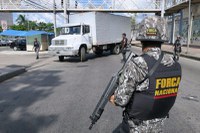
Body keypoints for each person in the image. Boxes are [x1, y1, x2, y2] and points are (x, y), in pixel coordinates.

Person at [110, 16, 182, 133]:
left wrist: (113, 98)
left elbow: (120, 100)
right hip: (158, 127)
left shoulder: (138, 64)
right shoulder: (175, 65)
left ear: (142, 39)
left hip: (135, 128)